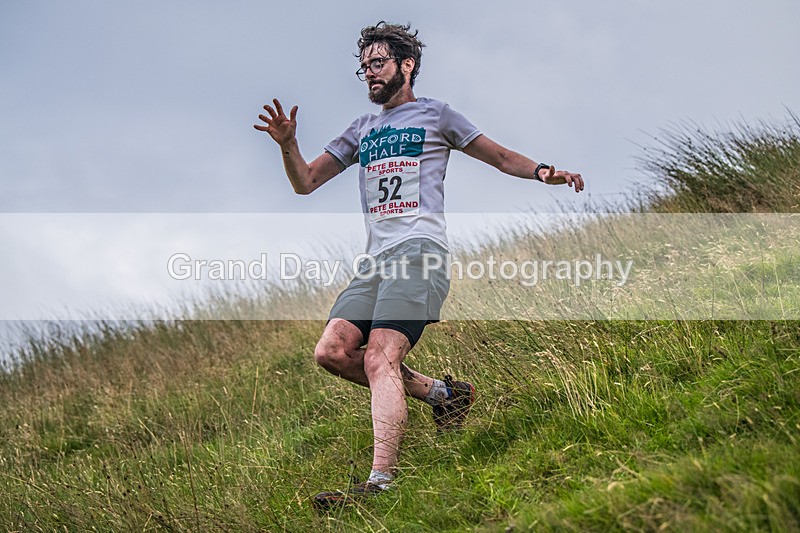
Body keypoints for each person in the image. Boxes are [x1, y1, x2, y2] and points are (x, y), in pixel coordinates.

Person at [254, 21, 584, 508]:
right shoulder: (361, 129)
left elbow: (497, 155)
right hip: (376, 262)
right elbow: (305, 182)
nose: (369, 74)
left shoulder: (436, 115)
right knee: (332, 352)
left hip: (420, 252)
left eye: (378, 64)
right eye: (363, 67)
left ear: (406, 65)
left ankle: (378, 485)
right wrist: (287, 144)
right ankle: (442, 396)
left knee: (378, 356)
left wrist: (541, 172)